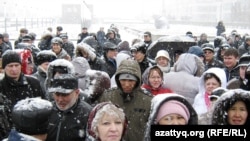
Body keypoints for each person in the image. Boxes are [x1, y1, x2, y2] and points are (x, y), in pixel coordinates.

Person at [98, 59, 152, 141]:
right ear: (118, 80)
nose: (127, 84)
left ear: (137, 80)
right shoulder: (107, 97)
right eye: (123, 80)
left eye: (131, 81)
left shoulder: (148, 101)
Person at [46, 73, 92, 141]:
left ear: (77, 93)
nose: (60, 100)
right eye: (57, 94)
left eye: (65, 95)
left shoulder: (88, 114)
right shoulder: (47, 110)